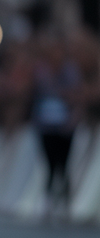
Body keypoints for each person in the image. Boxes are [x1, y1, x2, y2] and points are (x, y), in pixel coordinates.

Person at [30, 35, 83, 223]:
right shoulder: (41, 72)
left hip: (64, 125)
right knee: (50, 164)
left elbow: (77, 96)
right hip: (45, 125)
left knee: (64, 164)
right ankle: (48, 201)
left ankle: (67, 204)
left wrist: (72, 117)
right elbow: (35, 96)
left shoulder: (70, 72)